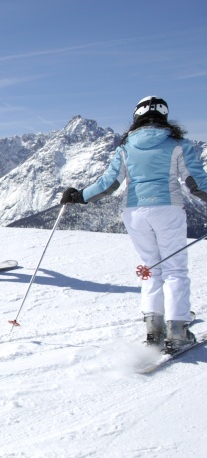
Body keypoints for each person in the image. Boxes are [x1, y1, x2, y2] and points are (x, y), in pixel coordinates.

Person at [60, 96, 207, 351]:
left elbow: (108, 185)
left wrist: (79, 196)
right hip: (167, 210)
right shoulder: (178, 145)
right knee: (175, 271)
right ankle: (178, 330)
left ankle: (154, 329)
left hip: (135, 213)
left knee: (150, 268)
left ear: (137, 117)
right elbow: (197, 183)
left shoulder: (125, 148)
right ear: (165, 117)